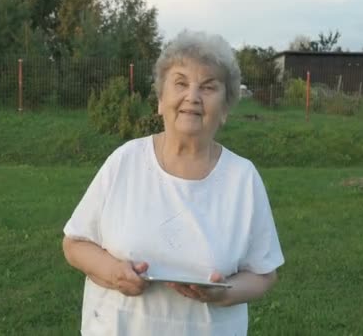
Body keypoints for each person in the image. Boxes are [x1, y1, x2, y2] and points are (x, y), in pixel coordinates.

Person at [62, 30, 285, 336]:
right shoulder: (125, 160)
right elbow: (74, 244)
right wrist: (114, 273)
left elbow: (264, 274)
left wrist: (226, 292)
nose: (192, 96)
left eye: (208, 87)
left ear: (225, 109)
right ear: (161, 99)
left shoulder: (242, 179)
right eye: (180, 83)